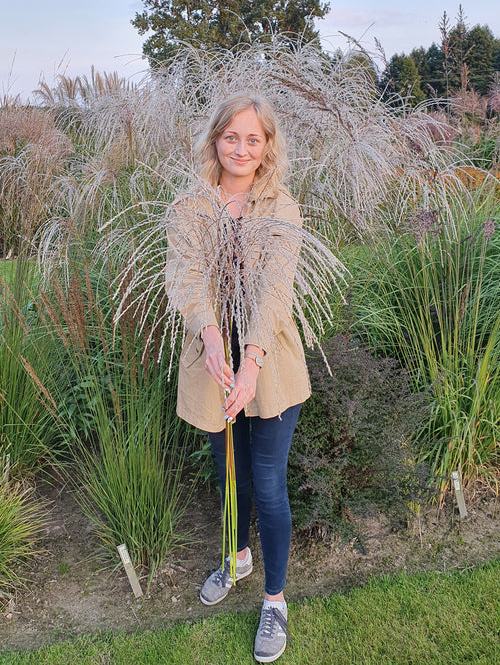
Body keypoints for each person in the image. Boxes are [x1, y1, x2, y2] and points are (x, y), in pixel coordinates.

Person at [165, 92, 310, 663]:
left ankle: (274, 600)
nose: (241, 148)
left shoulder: (282, 210)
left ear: (267, 145)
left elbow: (275, 291)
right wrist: (209, 335)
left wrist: (249, 362)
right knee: (232, 475)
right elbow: (186, 278)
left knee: (269, 483)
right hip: (211, 362)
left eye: (253, 139)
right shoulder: (188, 208)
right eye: (231, 137)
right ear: (215, 141)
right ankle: (237, 556)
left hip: (267, 364)